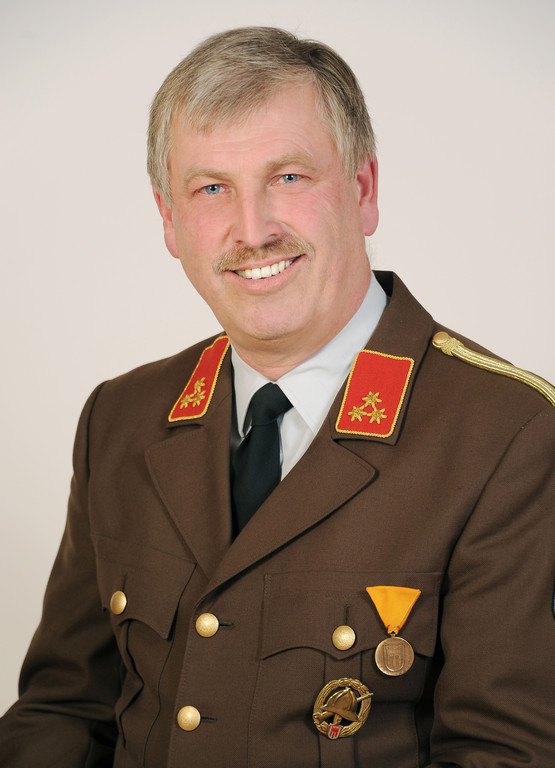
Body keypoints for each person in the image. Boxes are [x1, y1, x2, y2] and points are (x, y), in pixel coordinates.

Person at [0, 26, 553, 768]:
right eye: (211, 189)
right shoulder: (121, 420)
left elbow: (506, 753)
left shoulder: (508, 435)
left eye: (288, 177)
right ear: (169, 220)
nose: (253, 230)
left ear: (362, 191)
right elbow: (65, 712)